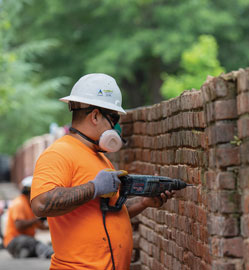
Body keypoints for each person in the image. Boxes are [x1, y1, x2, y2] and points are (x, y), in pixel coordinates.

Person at [31, 73, 174, 270]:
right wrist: (94, 187)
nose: (117, 127)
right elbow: (40, 203)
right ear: (95, 116)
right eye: (114, 118)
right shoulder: (59, 153)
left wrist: (144, 202)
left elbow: (107, 212)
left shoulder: (100, 157)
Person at [3, 176, 53, 259]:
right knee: (36, 244)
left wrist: (54, 226)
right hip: (14, 241)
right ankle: (49, 253)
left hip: (24, 241)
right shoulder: (19, 203)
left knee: (34, 244)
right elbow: (19, 225)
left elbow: (41, 227)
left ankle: (26, 251)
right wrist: (37, 219)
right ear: (31, 191)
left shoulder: (29, 206)